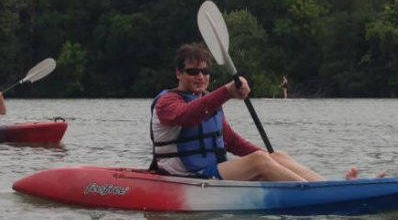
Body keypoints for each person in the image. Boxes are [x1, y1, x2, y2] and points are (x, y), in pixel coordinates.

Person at [150, 43, 381, 181]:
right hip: (187, 178)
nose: (200, 77)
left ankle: (332, 187)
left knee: (274, 155)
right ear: (178, 73)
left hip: (211, 173)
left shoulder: (208, 100)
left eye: (205, 71)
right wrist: (228, 91)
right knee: (260, 160)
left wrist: (274, 161)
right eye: (192, 71)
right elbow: (187, 116)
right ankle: (320, 193)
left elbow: (231, 141)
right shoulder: (167, 102)